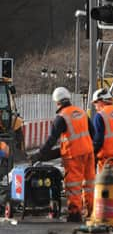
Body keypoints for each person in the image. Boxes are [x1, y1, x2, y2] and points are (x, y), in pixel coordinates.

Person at [30, 87, 95, 222]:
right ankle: (91, 211)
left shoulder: (61, 117)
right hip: (88, 153)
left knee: (73, 185)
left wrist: (39, 154)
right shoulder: (82, 112)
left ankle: (75, 213)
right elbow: (93, 132)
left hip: (74, 155)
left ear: (57, 102)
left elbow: (51, 140)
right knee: (89, 183)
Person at [91, 88, 113, 173]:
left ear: (100, 101)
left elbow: (98, 140)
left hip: (107, 159)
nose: (95, 106)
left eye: (95, 103)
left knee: (106, 185)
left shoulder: (100, 115)